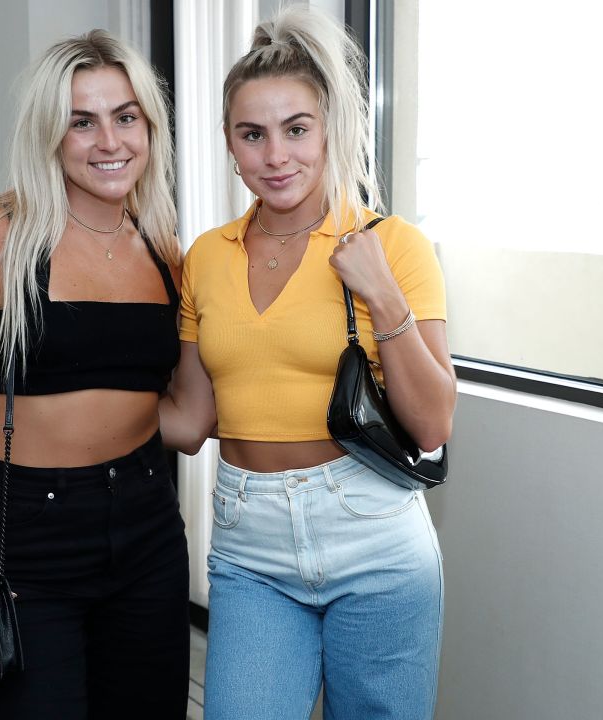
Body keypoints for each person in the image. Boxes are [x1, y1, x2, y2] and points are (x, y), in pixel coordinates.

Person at [159, 6, 456, 719]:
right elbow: (191, 419)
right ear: (229, 144)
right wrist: (70, 401)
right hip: (249, 544)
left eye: (296, 129)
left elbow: (431, 422)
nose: (276, 155)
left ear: (327, 133)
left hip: (374, 535)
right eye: (252, 134)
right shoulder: (206, 256)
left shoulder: (393, 246)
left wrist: (385, 300)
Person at [0, 30, 188, 719]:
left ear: (149, 128)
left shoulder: (164, 247)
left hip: (149, 526)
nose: (109, 141)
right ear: (49, 133)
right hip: (26, 535)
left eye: (126, 117)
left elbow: (179, 411)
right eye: (81, 121)